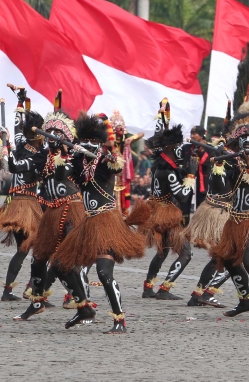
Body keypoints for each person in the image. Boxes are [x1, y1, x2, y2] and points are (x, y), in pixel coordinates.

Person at [51, 113, 148, 334]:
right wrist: (60, 153)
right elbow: (59, 175)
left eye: (95, 142)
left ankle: (120, 320)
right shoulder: (77, 164)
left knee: (104, 274)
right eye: (87, 141)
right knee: (58, 266)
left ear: (99, 143)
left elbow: (116, 167)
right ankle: (84, 307)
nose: (90, 145)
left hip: (106, 224)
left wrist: (110, 157)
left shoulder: (105, 162)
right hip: (87, 225)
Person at [14, 110, 96, 324]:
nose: (50, 135)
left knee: (62, 263)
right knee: (37, 259)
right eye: (48, 131)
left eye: (55, 132)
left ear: (65, 136)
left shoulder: (74, 156)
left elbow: (61, 174)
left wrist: (64, 150)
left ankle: (83, 305)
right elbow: (18, 167)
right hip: (51, 212)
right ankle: (37, 302)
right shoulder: (43, 155)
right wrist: (8, 153)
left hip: (71, 210)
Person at [210, 108, 249, 318]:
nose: (247, 141)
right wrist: (218, 164)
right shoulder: (231, 163)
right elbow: (220, 189)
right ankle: (245, 301)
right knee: (228, 260)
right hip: (235, 221)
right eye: (243, 138)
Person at [135, 124, 197, 300]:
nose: (180, 151)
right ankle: (165, 288)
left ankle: (148, 288)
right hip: (165, 214)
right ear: (170, 148)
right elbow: (183, 196)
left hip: (156, 209)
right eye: (177, 147)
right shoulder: (168, 172)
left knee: (162, 251)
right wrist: (191, 176)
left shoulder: (158, 167)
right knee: (186, 254)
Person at [1, 88, 45, 302]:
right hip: (27, 205)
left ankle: (11, 290)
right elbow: (16, 166)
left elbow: (18, 126)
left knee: (23, 250)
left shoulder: (20, 143)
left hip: (16, 203)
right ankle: (33, 291)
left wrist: (19, 102)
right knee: (37, 250)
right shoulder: (38, 156)